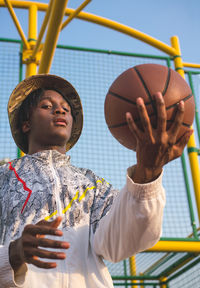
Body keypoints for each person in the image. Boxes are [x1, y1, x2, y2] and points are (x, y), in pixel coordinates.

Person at [0, 74, 192, 288]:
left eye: (67, 109)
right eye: (46, 106)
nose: (61, 110)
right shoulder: (5, 177)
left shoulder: (93, 184)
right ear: (26, 124)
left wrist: (148, 173)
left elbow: (118, 243)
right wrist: (13, 254)